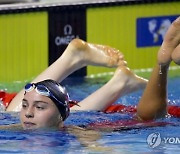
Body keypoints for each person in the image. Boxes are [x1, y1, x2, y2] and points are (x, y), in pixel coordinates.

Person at [2, 16, 180, 131]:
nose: (28, 113)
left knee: (11, 115)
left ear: (63, 116)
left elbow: (148, 119)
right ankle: (118, 83)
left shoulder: (80, 134)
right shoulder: (20, 128)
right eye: (25, 105)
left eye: (39, 107)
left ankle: (113, 80)